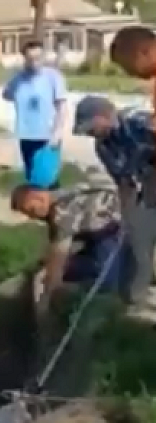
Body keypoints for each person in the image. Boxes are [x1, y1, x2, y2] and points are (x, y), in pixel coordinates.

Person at [71, 94, 156, 305]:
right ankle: (137, 298)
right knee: (139, 241)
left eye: (90, 127)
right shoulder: (103, 147)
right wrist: (127, 214)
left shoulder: (139, 122)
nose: (90, 134)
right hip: (147, 189)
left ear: (103, 116)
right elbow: (123, 182)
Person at [9, 183, 134, 315]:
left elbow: (59, 256)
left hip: (113, 229)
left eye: (31, 211)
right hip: (94, 233)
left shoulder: (62, 212)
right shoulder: (60, 195)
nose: (32, 217)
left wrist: (46, 298)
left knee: (106, 285)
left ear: (38, 197)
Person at [2, 38, 68, 189]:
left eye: (38, 58)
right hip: (26, 135)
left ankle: (56, 209)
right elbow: (6, 95)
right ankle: (36, 210)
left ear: (43, 56)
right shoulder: (19, 79)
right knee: (32, 178)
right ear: (25, 58)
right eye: (30, 59)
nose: (34, 62)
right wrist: (14, 79)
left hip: (48, 136)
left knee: (48, 179)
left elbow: (62, 107)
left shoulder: (53, 77)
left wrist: (57, 132)